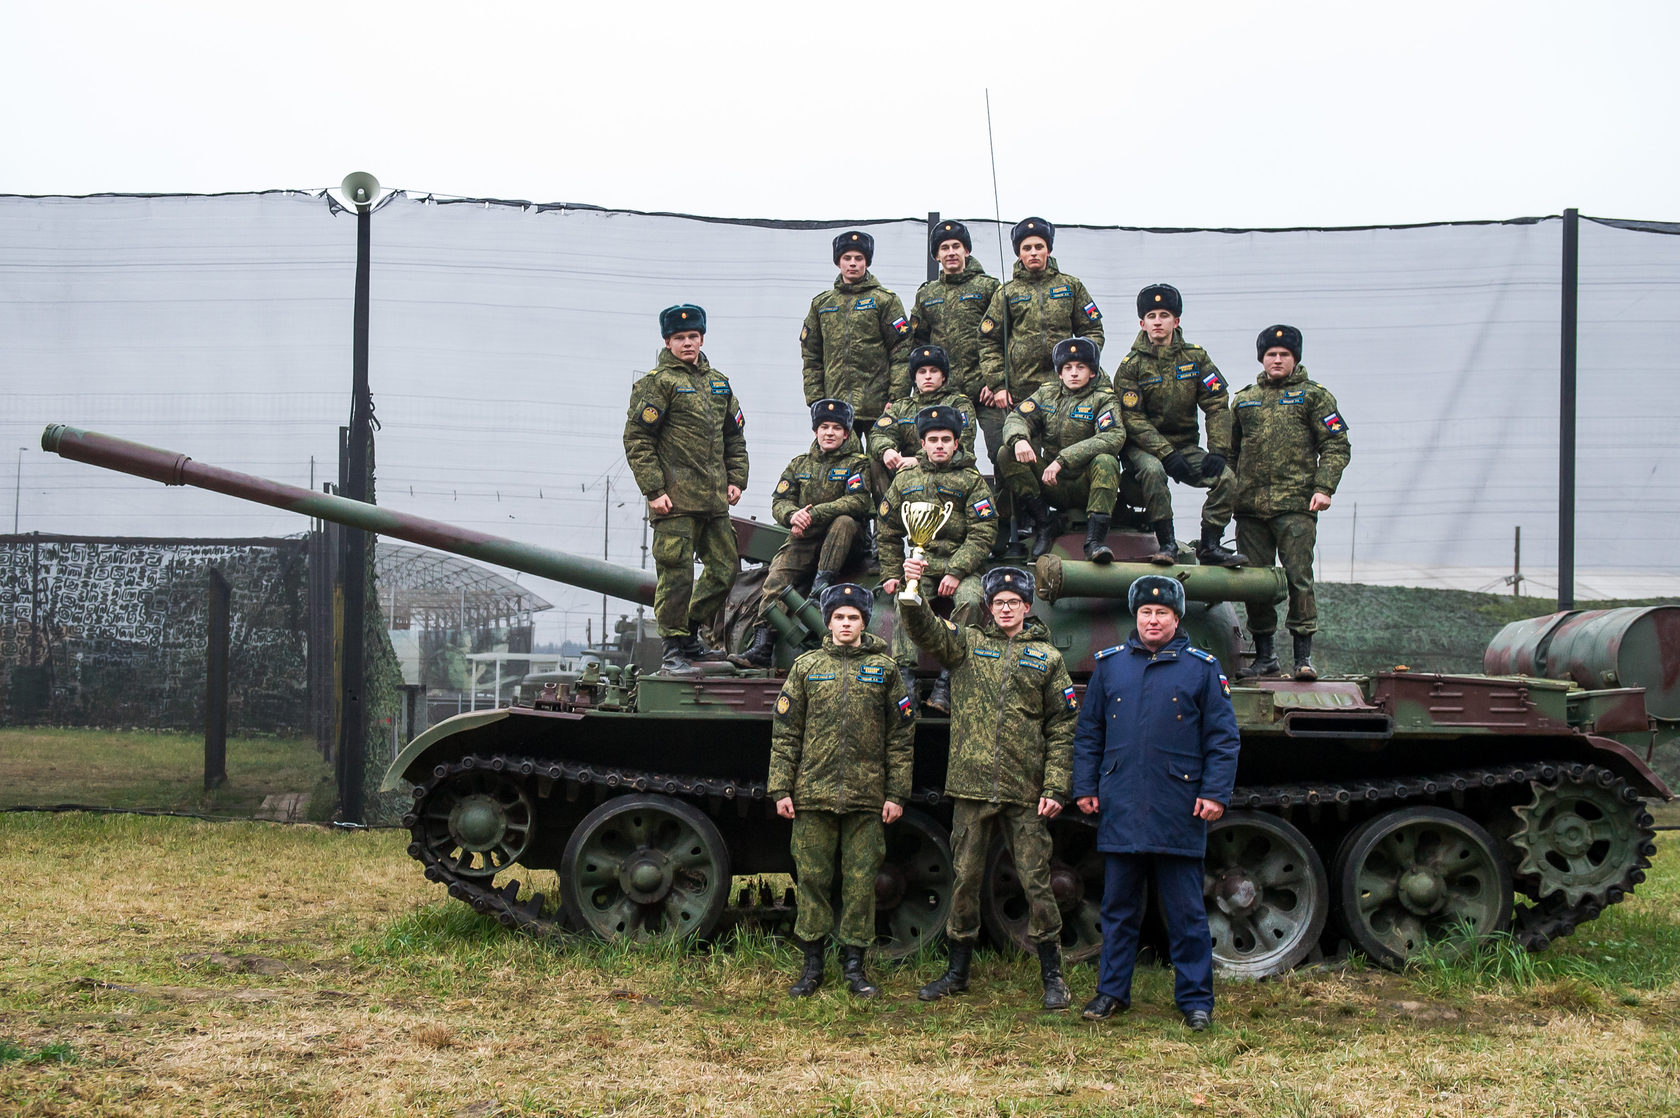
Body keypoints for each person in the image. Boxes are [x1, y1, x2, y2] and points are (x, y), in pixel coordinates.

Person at [898, 564, 1077, 1011]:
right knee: (965, 879)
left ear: (1027, 608)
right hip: (973, 786)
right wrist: (913, 588)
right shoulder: (967, 645)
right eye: (998, 603)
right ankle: (958, 971)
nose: (1005, 609)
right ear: (989, 607)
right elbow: (924, 629)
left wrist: (1055, 785)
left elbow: (1063, 725)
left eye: (1013, 603)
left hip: (1025, 789)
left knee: (1037, 882)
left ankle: (1053, 975)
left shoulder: (1048, 659)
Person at [1072, 574, 1240, 1032]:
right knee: (1118, 909)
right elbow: (1090, 735)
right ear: (1136, 616)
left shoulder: (1202, 669)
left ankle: (1195, 1001)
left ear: (1176, 618)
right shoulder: (1110, 667)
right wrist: (1085, 786)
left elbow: (1223, 740)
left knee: (1185, 913)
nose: (1152, 620)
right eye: (1145, 612)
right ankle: (1111, 992)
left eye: (1161, 613)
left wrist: (1214, 793)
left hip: (1178, 807)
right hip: (1122, 804)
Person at [769, 582, 915, 999]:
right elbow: (786, 733)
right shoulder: (807, 668)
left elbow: (901, 737)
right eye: (839, 618)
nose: (846, 624)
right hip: (812, 792)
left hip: (867, 797)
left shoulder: (885, 669)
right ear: (828, 622)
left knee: (861, 882)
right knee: (812, 878)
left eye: (853, 617)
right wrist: (781, 787)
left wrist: (896, 793)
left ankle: (855, 966)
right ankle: (812, 964)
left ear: (863, 622)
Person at [622, 304, 748, 676]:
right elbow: (637, 438)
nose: (688, 343)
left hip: (713, 502)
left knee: (726, 570)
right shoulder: (658, 383)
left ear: (702, 338)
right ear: (668, 341)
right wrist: (653, 489)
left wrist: (736, 478)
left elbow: (734, 437)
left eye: (693, 337)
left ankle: (689, 633)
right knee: (677, 576)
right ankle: (674, 647)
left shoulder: (719, 383)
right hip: (673, 503)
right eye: (680, 338)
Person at [1229, 325, 1351, 681]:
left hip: (1296, 504)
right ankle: (1265, 655)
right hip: (1250, 507)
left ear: (1295, 358)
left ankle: (1303, 657)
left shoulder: (1315, 397)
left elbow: (1336, 445)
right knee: (1256, 583)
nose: (1277, 360)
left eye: (1284, 354)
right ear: (1262, 359)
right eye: (1271, 354)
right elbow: (1229, 453)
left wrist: (1324, 487)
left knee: (1299, 579)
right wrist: (1225, 497)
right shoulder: (1244, 399)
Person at [977, 217, 1105, 550]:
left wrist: (1084, 369)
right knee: (1013, 458)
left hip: (1069, 393)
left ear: (1048, 249)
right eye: (1026, 248)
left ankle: (1077, 525)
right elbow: (988, 341)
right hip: (1021, 394)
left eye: (1039, 246)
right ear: (1018, 253)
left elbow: (1093, 331)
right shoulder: (1006, 292)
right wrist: (998, 383)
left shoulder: (1071, 286)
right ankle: (1026, 524)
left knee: (1065, 456)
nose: (1033, 253)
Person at [1113, 284, 1249, 568]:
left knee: (1226, 478)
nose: (1158, 321)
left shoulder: (1196, 358)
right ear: (1142, 323)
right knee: (1153, 471)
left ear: (1176, 321)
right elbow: (1133, 419)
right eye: (1151, 315)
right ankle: (1167, 543)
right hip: (1143, 448)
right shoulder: (1131, 365)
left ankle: (1211, 544)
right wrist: (1165, 453)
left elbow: (1216, 404)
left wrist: (1219, 450)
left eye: (1165, 315)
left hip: (1185, 446)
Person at [730, 399, 871, 669]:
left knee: (843, 520)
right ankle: (762, 643)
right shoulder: (799, 465)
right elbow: (780, 501)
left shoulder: (857, 465)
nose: (829, 432)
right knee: (776, 578)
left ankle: (820, 590)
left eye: (836, 428)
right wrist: (792, 515)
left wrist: (814, 514)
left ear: (846, 433)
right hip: (805, 537)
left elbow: (858, 502)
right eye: (824, 427)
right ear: (816, 431)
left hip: (846, 543)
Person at [878, 405, 997, 713]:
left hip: (962, 567)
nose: (940, 445)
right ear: (922, 444)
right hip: (921, 564)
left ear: (957, 443)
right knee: (906, 601)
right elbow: (888, 531)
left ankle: (947, 680)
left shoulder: (971, 480)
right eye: (933, 439)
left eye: (946, 439)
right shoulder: (905, 480)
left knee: (971, 601)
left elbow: (983, 532)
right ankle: (906, 679)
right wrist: (892, 572)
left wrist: (957, 571)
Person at [997, 337, 1126, 563]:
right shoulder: (1047, 394)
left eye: (1081, 367)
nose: (1074, 373)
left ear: (1092, 372)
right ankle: (1045, 524)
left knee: (1107, 461)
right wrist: (1019, 439)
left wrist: (1062, 460)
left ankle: (1094, 541)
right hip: (1053, 485)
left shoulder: (1104, 399)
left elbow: (1113, 436)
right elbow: (1017, 417)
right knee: (1006, 453)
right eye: (1068, 368)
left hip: (1086, 484)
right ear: (1059, 373)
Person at [910, 220, 1003, 486]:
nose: (951, 252)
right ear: (936, 255)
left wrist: (995, 381)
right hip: (945, 393)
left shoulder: (989, 287)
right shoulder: (927, 294)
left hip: (984, 391)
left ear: (967, 251)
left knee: (1000, 448)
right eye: (944, 248)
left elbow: (1004, 338)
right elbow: (918, 343)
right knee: (944, 453)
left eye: (956, 246)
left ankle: (1010, 516)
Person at [800, 230, 914, 439]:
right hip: (836, 409)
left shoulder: (885, 301)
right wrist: (816, 400)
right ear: (838, 263)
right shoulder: (822, 304)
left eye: (859, 258)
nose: (853, 263)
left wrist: (896, 398)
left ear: (867, 262)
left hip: (879, 407)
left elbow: (902, 351)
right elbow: (811, 356)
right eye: (847, 258)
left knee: (879, 466)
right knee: (842, 469)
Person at [870, 344, 976, 490]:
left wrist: (919, 459)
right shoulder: (901, 407)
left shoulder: (958, 404)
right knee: (876, 461)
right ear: (914, 377)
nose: (927, 376)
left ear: (943, 376)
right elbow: (878, 433)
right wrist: (887, 450)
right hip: (908, 472)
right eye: (922, 372)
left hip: (947, 469)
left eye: (934, 371)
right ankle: (887, 511)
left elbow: (964, 440)